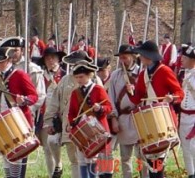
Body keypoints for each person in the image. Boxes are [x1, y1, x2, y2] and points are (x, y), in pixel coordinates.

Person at [127, 40, 184, 178]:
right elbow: (137, 99)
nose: (140, 57)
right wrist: (130, 91)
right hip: (149, 120)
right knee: (153, 164)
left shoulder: (165, 71)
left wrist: (172, 98)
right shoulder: (142, 75)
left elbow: (179, 93)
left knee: (158, 164)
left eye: (141, 55)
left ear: (148, 56)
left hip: (163, 119)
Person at [0, 47, 38, 178]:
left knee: (18, 157)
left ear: (8, 60)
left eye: (1, 62)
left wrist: (24, 100)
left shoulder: (20, 75)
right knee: (5, 156)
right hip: (0, 120)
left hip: (19, 121)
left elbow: (33, 96)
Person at [44, 50, 94, 178]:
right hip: (69, 126)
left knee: (90, 160)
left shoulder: (94, 80)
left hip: (89, 126)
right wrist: (49, 121)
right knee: (74, 160)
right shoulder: (65, 80)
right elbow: (54, 101)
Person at [68, 60, 113, 178]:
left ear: (89, 75)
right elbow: (71, 112)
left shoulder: (98, 89)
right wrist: (71, 123)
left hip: (98, 129)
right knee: (82, 160)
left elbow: (108, 107)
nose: (79, 80)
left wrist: (100, 108)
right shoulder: (75, 93)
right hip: (82, 129)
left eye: (81, 77)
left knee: (98, 160)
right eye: (77, 77)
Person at [108, 45, 146, 178]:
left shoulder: (142, 73)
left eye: (125, 56)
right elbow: (111, 98)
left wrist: (135, 90)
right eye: (121, 56)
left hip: (140, 117)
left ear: (133, 56)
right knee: (125, 157)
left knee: (143, 156)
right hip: (123, 119)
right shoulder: (114, 76)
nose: (123, 59)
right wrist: (113, 118)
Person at [0, 36, 46, 125]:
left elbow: (40, 95)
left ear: (22, 51)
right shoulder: (1, 68)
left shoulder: (32, 69)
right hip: (3, 114)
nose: (13, 53)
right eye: (11, 51)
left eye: (16, 50)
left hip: (24, 115)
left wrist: (26, 109)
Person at [37, 47, 66, 178]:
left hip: (62, 115)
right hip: (45, 115)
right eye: (47, 58)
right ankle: (52, 174)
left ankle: (59, 164)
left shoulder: (66, 75)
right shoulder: (40, 75)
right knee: (47, 148)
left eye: (53, 57)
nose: (50, 60)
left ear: (58, 59)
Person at [179, 43, 195, 178]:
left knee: (193, 149)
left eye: (185, 58)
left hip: (194, 118)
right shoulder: (183, 74)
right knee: (185, 150)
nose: (182, 60)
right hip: (183, 117)